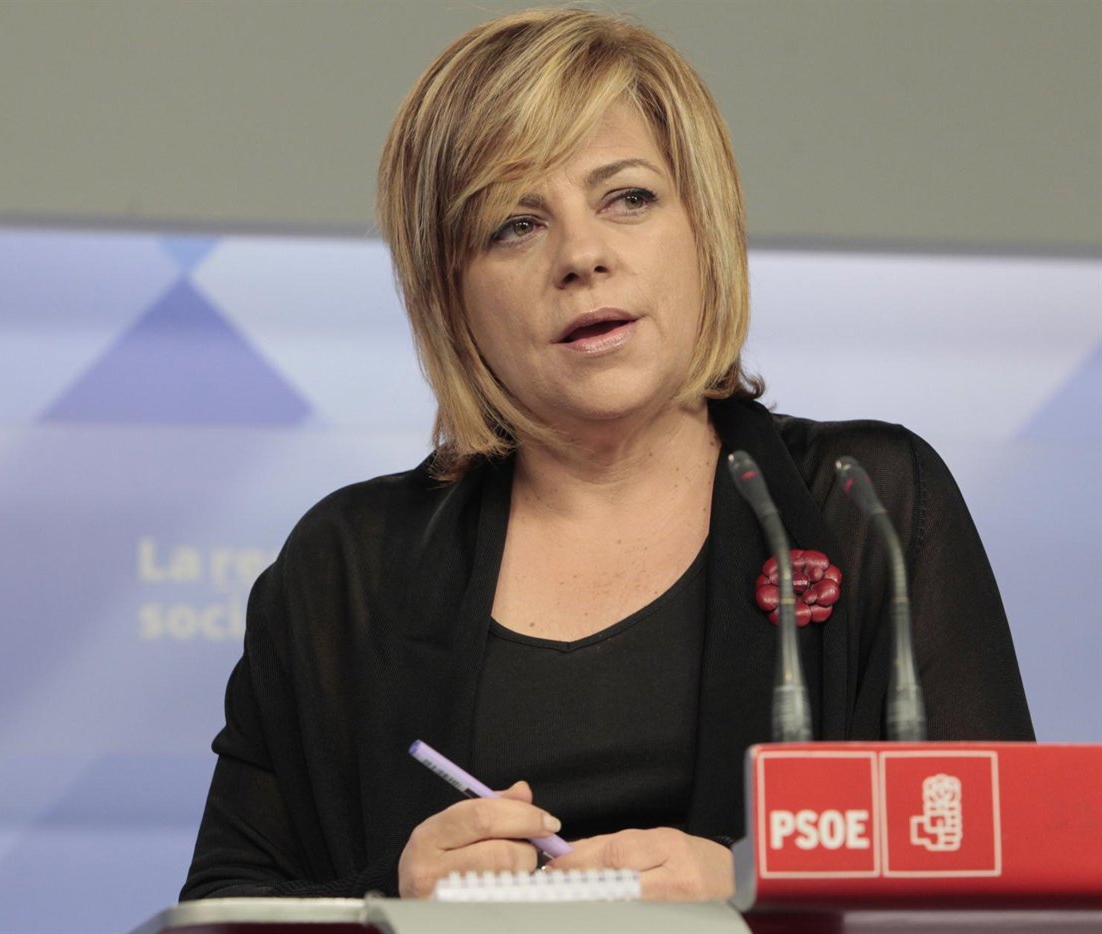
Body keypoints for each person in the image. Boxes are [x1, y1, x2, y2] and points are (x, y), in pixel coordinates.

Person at [180, 7, 1032, 903]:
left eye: (628, 199)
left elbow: (1004, 879)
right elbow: (220, 908)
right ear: (448, 296)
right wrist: (387, 898)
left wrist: (756, 888)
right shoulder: (348, 565)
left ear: (704, 226)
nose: (582, 256)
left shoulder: (866, 504)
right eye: (515, 225)